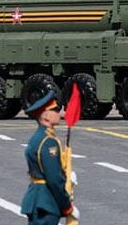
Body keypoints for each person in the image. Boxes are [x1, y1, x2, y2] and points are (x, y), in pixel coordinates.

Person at [21, 91, 79, 225]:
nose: (59, 113)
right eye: (55, 110)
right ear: (46, 116)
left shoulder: (38, 137)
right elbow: (54, 178)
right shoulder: (48, 142)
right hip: (46, 202)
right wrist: (66, 204)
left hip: (39, 199)